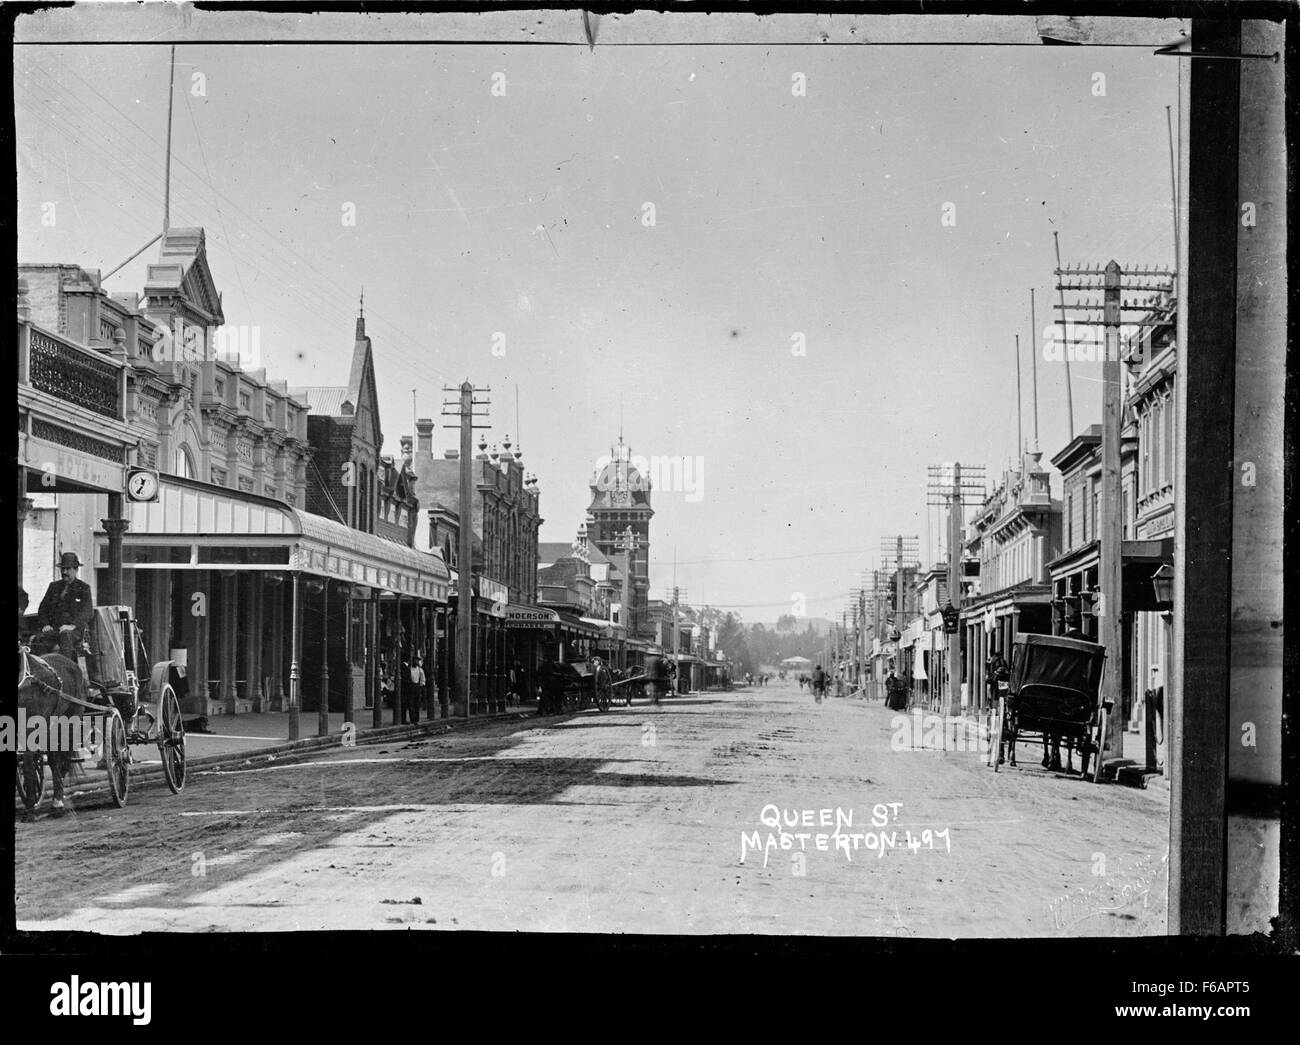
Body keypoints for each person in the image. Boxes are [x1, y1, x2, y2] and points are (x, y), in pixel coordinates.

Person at [34, 552, 94, 660]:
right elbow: (42, 609)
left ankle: (66, 671)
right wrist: (45, 624)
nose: (64, 572)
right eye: (62, 569)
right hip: (54, 629)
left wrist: (72, 625)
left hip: (74, 632)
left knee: (66, 636)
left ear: (76, 570)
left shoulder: (83, 588)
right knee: (38, 640)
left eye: (68, 569)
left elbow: (88, 611)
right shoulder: (54, 587)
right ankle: (44, 672)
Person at [407, 657, 426, 723]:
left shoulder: (420, 670)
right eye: (415, 661)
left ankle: (416, 719)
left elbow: (423, 679)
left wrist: (420, 686)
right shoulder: (409, 669)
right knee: (411, 703)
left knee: (417, 703)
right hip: (411, 686)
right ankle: (412, 719)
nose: (416, 662)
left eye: (417, 661)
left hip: (417, 686)